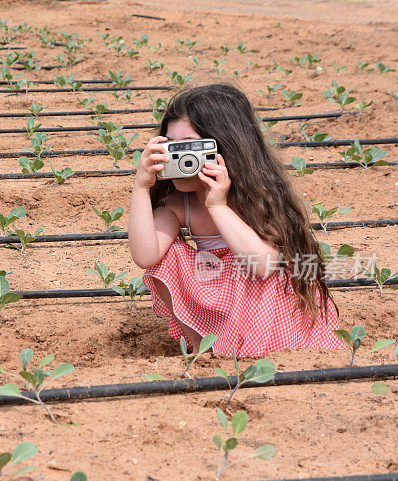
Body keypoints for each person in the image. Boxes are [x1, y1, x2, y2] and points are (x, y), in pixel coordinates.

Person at [128, 83, 345, 358]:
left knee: (273, 266)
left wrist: (217, 205)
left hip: (266, 296)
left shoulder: (256, 196)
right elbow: (146, 255)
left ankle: (254, 348)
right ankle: (202, 349)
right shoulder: (179, 203)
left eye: (190, 148)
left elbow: (264, 266)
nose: (179, 158)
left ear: (225, 147)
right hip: (220, 284)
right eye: (170, 147)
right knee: (166, 259)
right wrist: (141, 187)